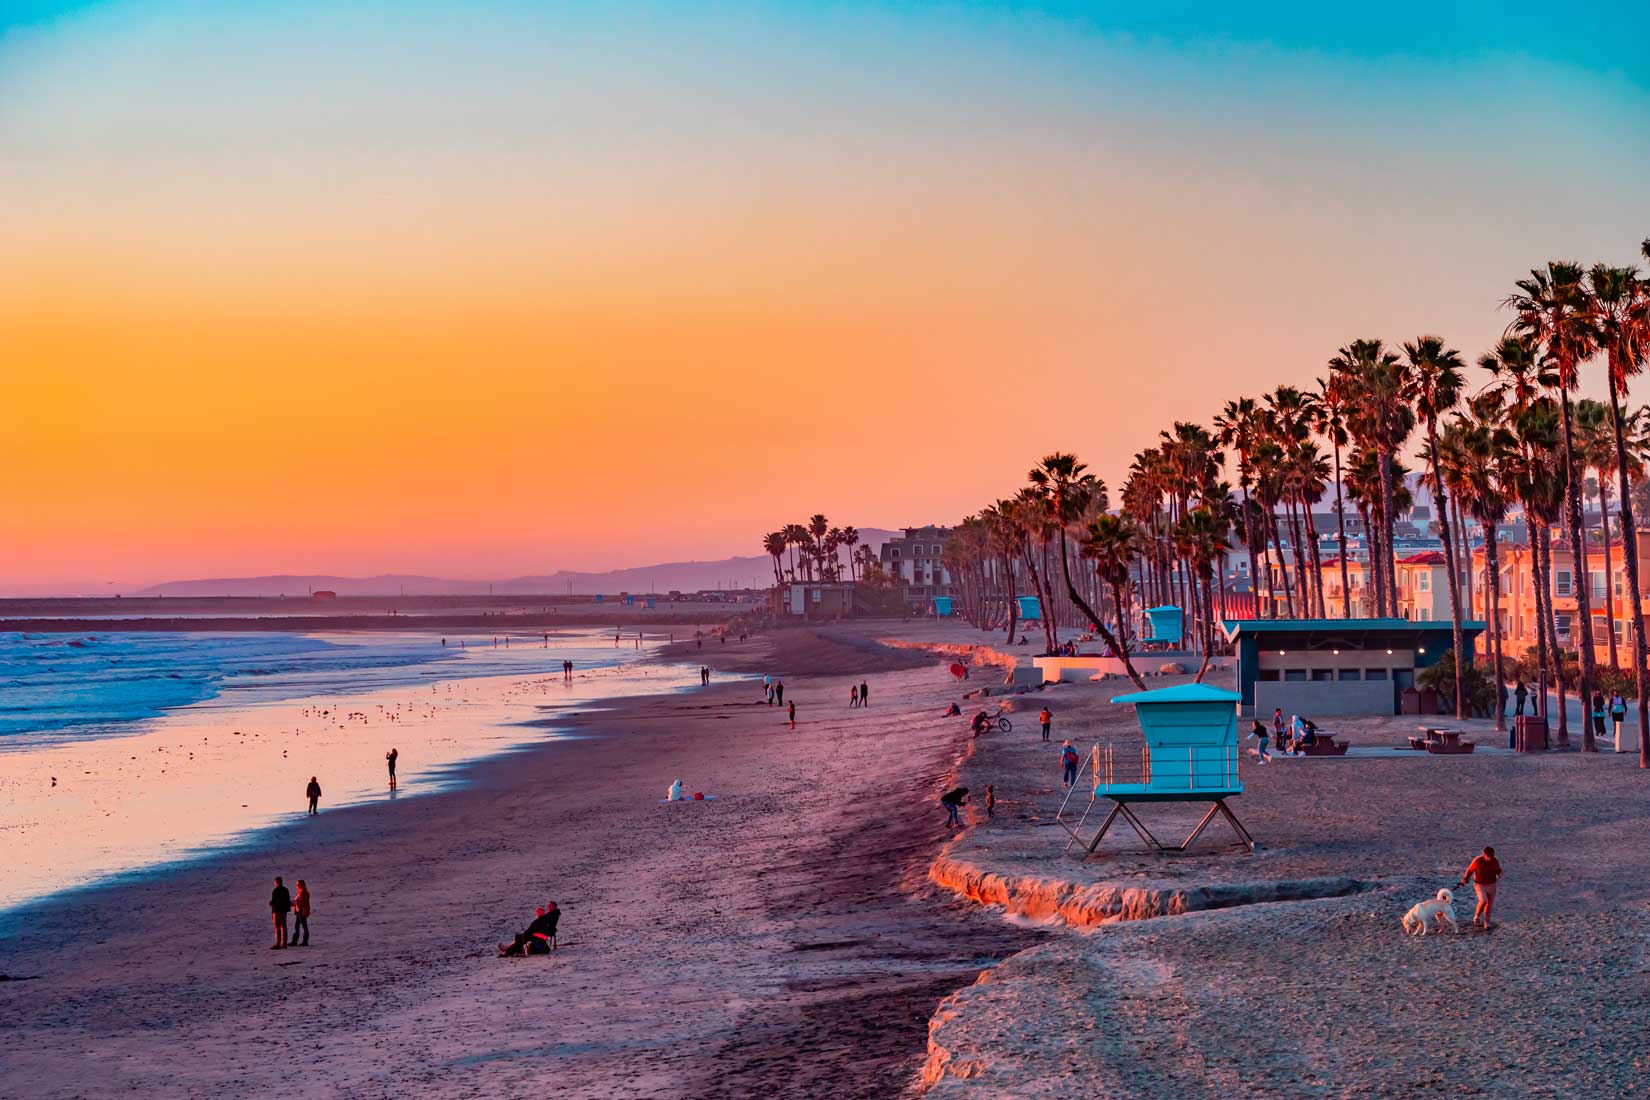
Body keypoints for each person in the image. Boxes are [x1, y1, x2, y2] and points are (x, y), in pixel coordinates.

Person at [1458, 845, 1503, 929]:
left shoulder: (1495, 861)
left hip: (1492, 885)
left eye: (1491, 857)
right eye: (1488, 857)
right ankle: (1477, 916)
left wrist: (1499, 873)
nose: (1489, 858)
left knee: (1489, 905)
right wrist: (1465, 879)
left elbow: (1498, 870)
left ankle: (1487, 922)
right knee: (1483, 900)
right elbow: (1470, 870)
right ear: (1484, 854)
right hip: (1480, 884)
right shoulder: (1477, 861)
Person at [270, 876, 292, 949]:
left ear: (276, 882)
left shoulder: (275, 891)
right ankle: (284, 943)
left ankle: (278, 943)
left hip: (277, 911)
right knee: (284, 926)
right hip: (284, 911)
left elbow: (274, 902)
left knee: (277, 927)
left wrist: (272, 906)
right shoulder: (286, 890)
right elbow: (288, 900)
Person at [291, 880, 312, 946]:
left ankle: (305, 941)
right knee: (297, 926)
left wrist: (296, 903)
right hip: (299, 911)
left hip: (302, 911)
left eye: (297, 884)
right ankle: (294, 941)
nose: (296, 886)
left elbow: (303, 902)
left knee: (303, 926)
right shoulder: (300, 892)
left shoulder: (304, 892)